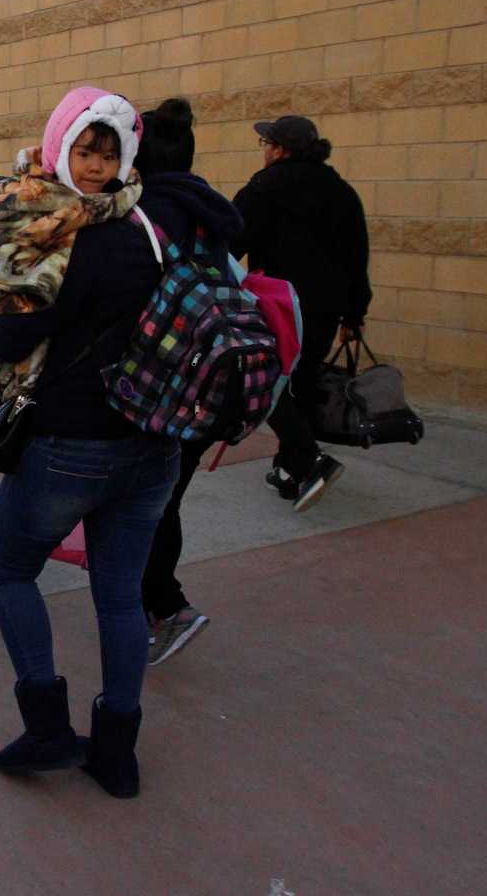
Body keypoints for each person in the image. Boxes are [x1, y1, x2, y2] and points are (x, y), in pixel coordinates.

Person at [0, 86, 174, 800]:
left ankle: (49, 728)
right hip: (152, 444)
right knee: (119, 597)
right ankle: (116, 755)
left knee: (9, 571)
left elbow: (6, 334)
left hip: (70, 442)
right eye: (85, 150)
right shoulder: (149, 226)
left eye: (105, 153)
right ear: (62, 145)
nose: (93, 166)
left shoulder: (63, 232)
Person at [132, 98, 244, 666]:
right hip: (210, 380)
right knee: (165, 496)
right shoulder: (212, 214)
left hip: (160, 382)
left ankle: (163, 607)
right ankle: (156, 604)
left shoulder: (145, 215)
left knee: (148, 501)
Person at [233, 115, 370, 512]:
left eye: (266, 144)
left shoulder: (264, 188)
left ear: (279, 149)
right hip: (325, 310)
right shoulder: (342, 192)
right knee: (302, 384)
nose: (264, 152)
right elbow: (356, 257)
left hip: (279, 307)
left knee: (264, 385)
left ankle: (309, 458)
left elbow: (232, 240)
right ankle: (292, 472)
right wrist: (353, 314)